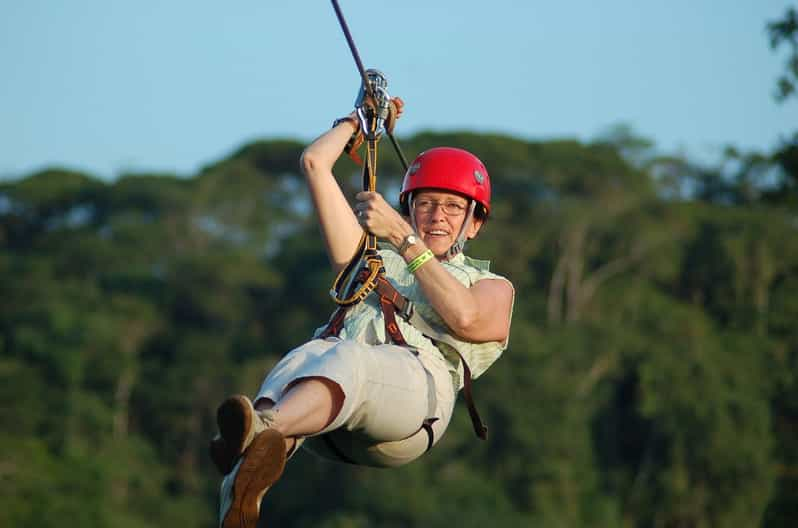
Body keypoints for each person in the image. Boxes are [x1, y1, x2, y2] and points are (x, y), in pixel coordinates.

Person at [211, 95, 515, 528]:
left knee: (346, 356)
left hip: (414, 407)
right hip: (331, 418)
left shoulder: (490, 284)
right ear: (410, 206)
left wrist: (401, 235)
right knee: (303, 355)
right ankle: (241, 488)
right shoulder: (372, 255)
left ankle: (264, 429)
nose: (437, 216)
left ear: (475, 223)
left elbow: (467, 319)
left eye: (453, 207)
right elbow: (315, 163)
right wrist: (360, 122)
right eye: (426, 203)